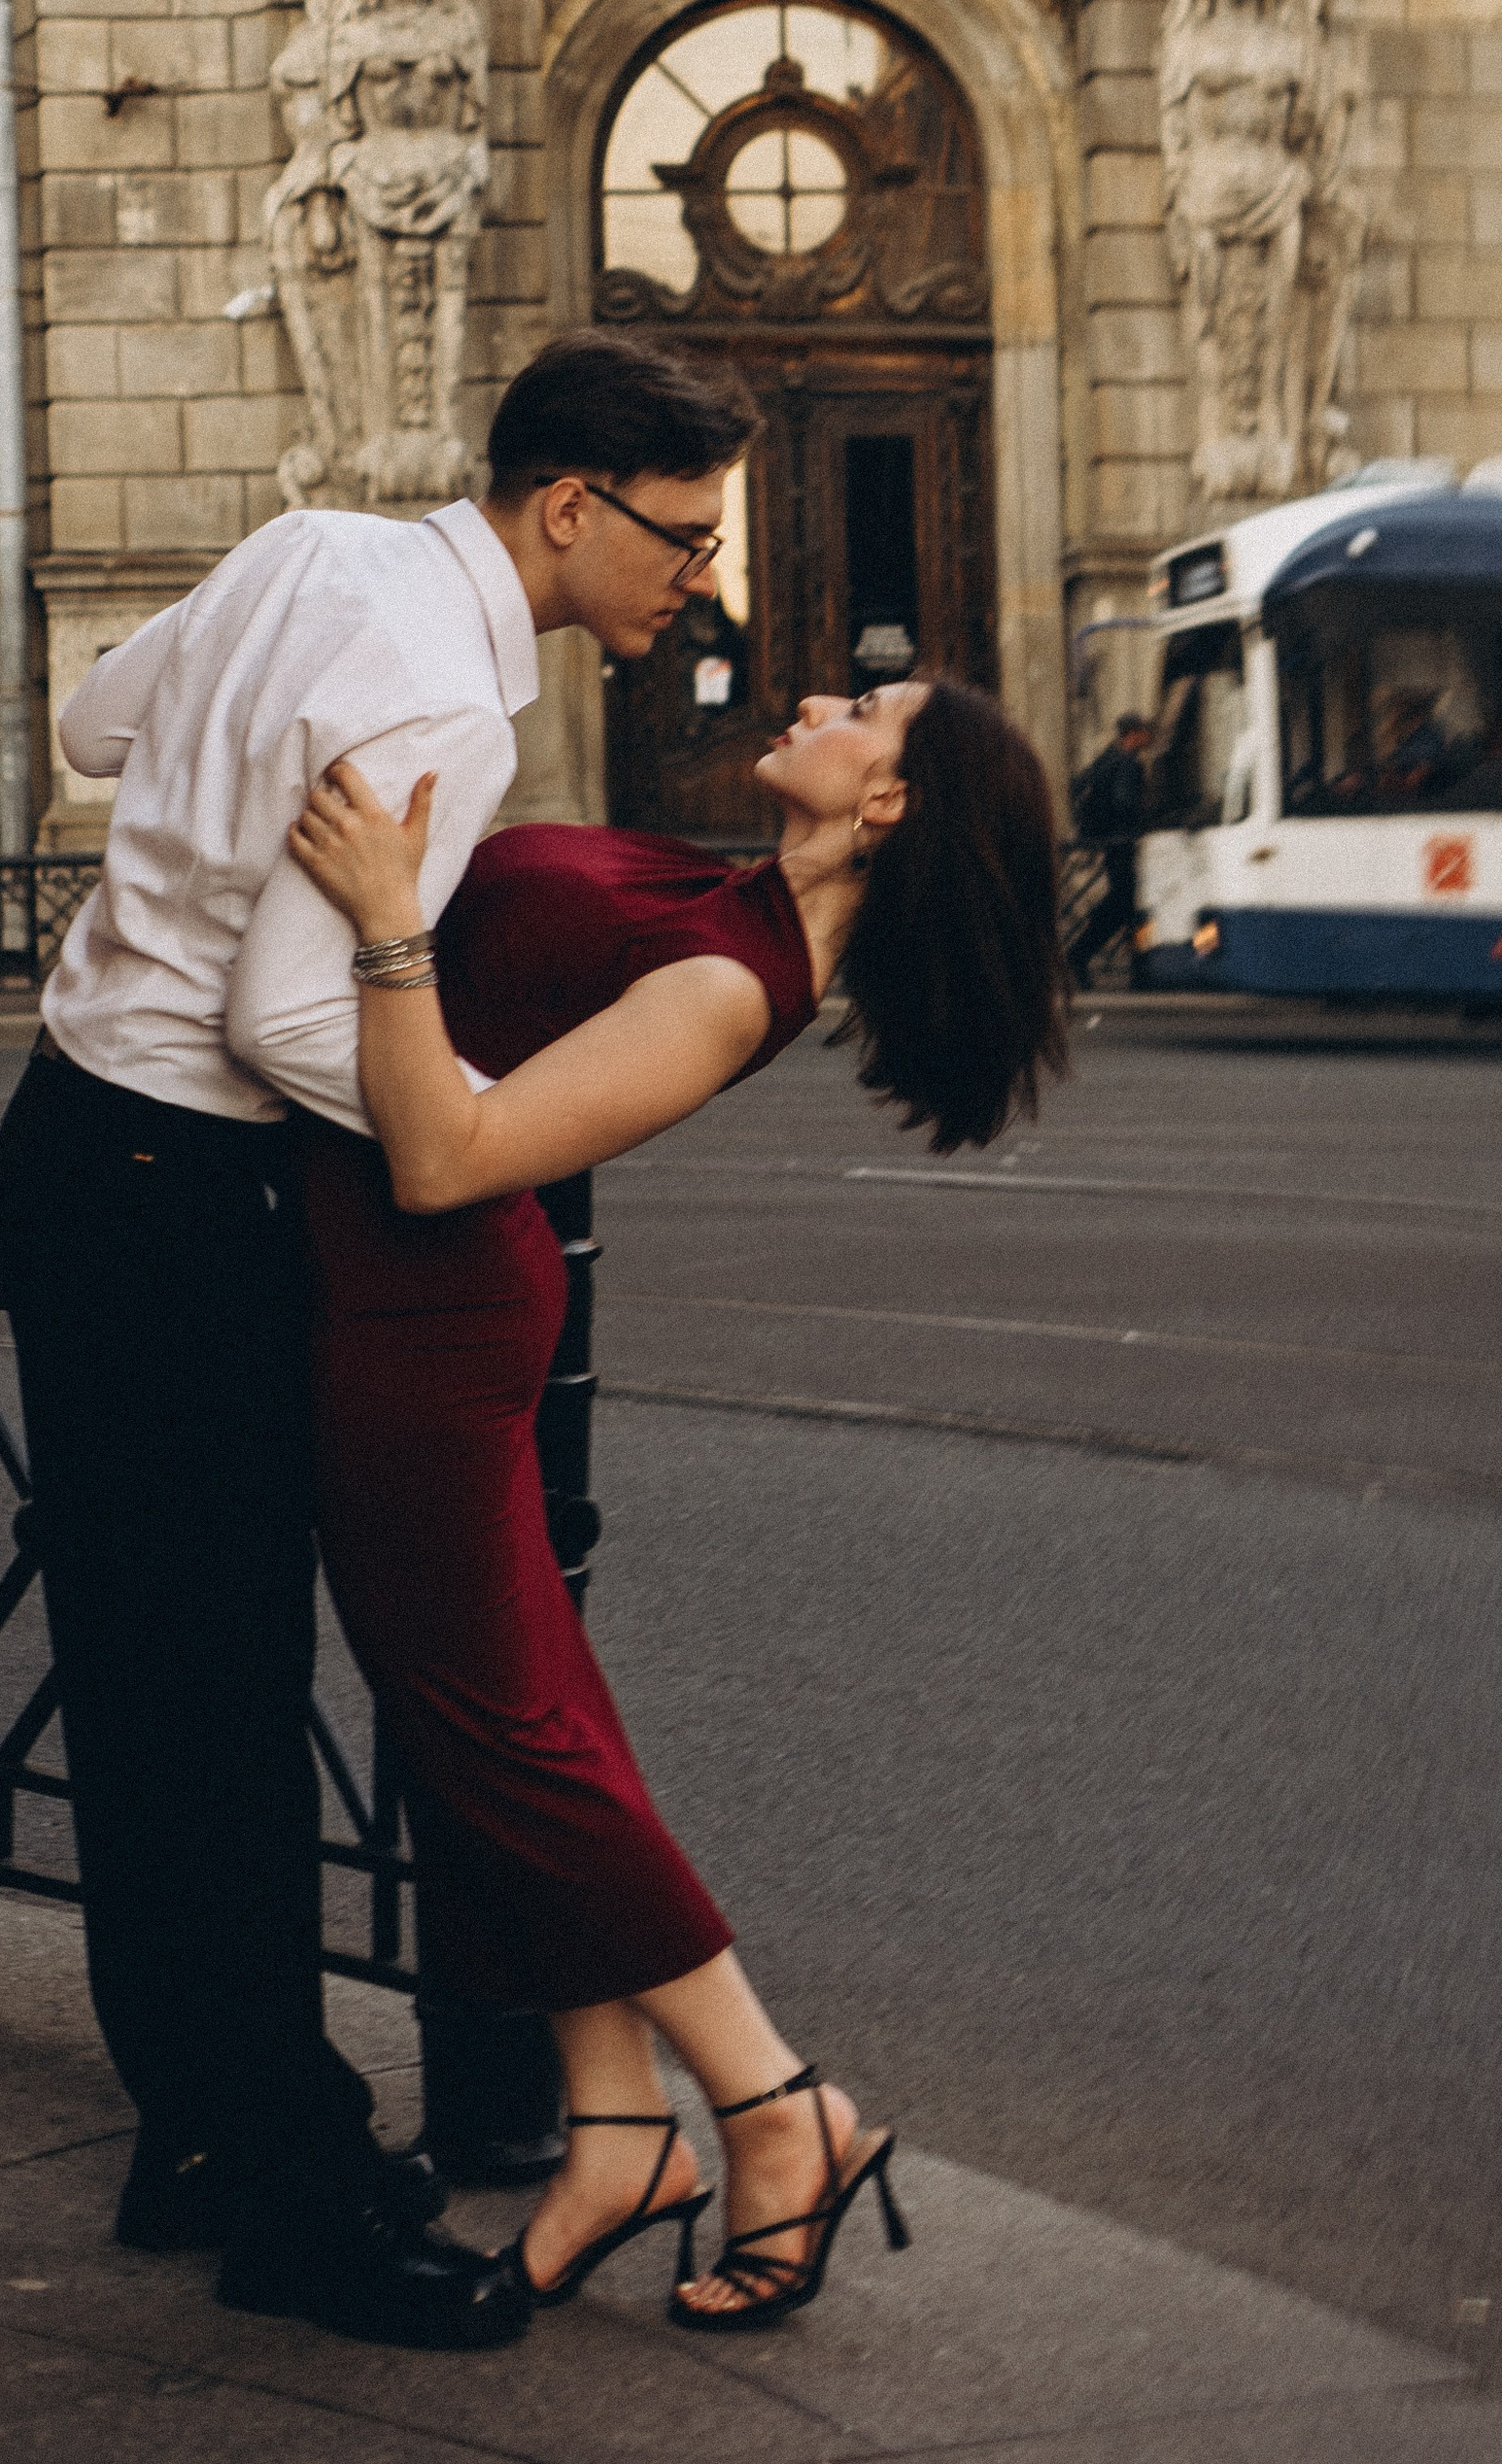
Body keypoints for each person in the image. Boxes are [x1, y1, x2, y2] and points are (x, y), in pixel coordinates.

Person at [0, 328, 760, 2352]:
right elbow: (286, 1023)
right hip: (184, 1180)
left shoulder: (312, 546)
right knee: (228, 1698)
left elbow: (88, 721)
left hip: (70, 1135)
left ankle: (200, 2132)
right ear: (564, 507)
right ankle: (290, 2189)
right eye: (676, 537)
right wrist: (464, 1112)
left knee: (152, 1684)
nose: (697, 578)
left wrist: (209, 813)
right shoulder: (442, 689)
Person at [272, 666, 1067, 2330]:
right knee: (510, 1724)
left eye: (873, 705)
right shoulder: (721, 892)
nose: (822, 694)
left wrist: (380, 920)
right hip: (405, 1309)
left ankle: (778, 2110)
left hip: (429, 1324)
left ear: (891, 802)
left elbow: (443, 1153)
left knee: (503, 1739)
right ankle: (623, 2123)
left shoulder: (730, 979)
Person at [1069, 712, 1153, 981]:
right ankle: (1078, 955)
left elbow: (1080, 786)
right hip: (1123, 843)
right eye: (1144, 731)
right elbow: (1125, 804)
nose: (1148, 736)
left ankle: (1140, 969)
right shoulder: (1127, 764)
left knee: (1125, 906)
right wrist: (1142, 823)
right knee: (1122, 905)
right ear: (1133, 733)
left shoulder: (1106, 758)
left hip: (1107, 842)